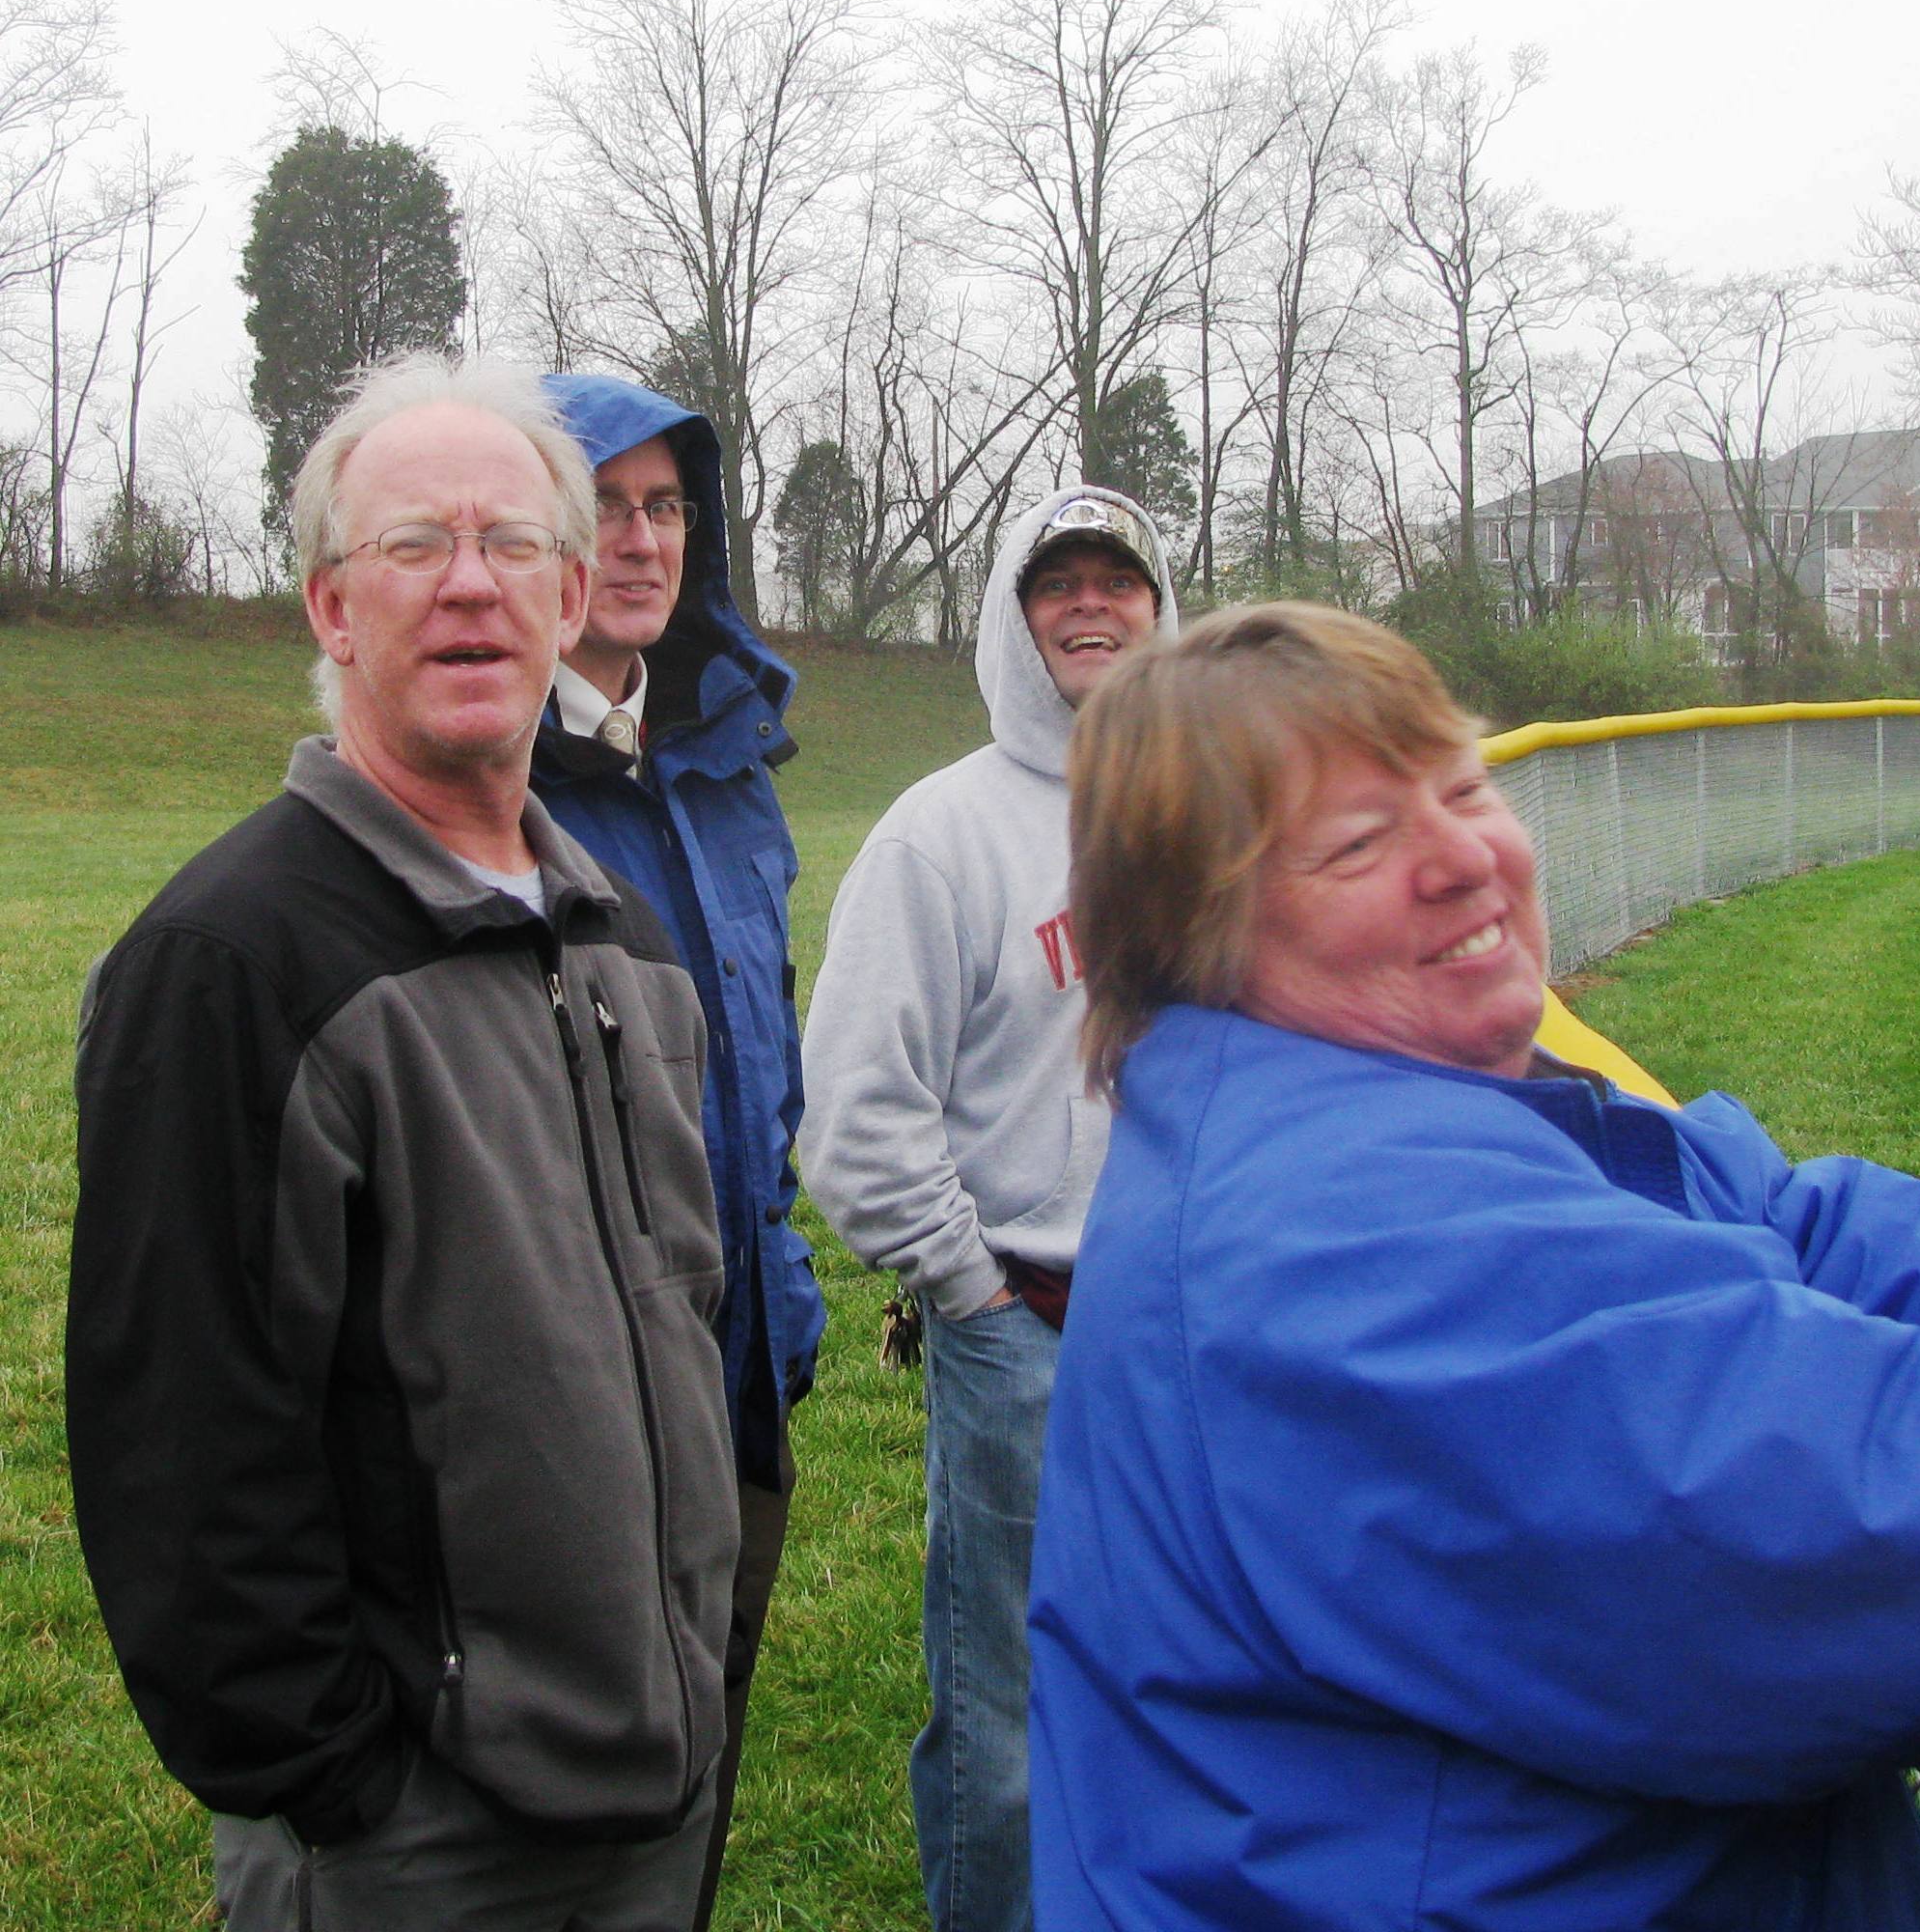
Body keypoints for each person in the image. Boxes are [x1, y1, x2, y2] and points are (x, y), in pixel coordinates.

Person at [1029, 601, 1920, 1932]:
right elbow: (1858, 1526)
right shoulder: (1348, 1238)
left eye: (1465, 788)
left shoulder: (1421, 1107)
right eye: (1358, 844)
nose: (1465, 856)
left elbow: (1811, 1236)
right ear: (1198, 940)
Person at [66, 356, 738, 1931]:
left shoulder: (626, 947)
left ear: (569, 599)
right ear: (331, 608)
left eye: (512, 544)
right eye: (414, 545)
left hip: (652, 1796)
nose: (469, 585)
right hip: (412, 1843)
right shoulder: (230, 964)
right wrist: (340, 1782)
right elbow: (184, 1441)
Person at [797, 486, 1176, 1932]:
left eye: (1116, 579)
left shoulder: (1206, 811)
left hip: (1193, 1322)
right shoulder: (940, 834)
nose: (1089, 605)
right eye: (1054, 582)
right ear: (1013, 620)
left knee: (1182, 1668)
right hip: (1029, 1324)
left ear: (1159, 607)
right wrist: (969, 1287)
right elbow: (854, 1108)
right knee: (1007, 1703)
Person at [529, 374, 824, 1926]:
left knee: (697, 1780)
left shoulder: (722, 767)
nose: (641, 542)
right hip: (563, 1424)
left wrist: (782, 1275)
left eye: (666, 508)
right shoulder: (478, 778)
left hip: (740, 1387)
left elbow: (763, 1063)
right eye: (603, 508)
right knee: (562, 1823)